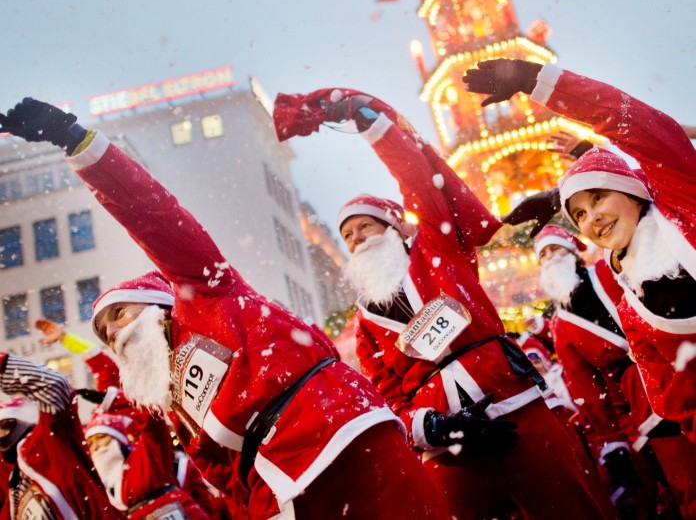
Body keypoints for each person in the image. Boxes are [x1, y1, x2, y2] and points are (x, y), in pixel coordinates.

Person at [0, 98, 449, 520]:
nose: (115, 333)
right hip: (276, 493)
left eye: (119, 314)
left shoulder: (206, 290)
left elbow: (148, 212)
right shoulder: (168, 397)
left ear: (160, 302)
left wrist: (76, 143)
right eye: (105, 332)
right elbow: (217, 471)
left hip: (346, 437)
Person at [273, 86, 617, 520]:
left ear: (397, 226)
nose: (357, 238)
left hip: (514, 403)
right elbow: (386, 395)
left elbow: (417, 179)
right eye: (348, 235)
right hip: (445, 447)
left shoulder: (439, 248)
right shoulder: (364, 325)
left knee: (573, 509)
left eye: (365, 226)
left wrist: (367, 122)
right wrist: (431, 426)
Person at [462, 58, 696, 446]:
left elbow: (637, 124)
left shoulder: (683, 201)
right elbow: (671, 395)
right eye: (579, 214)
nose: (593, 219)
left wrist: (537, 80)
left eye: (599, 198)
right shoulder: (630, 309)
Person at [35, 318, 220, 519]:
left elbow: (104, 369)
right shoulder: (98, 473)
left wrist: (66, 339)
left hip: (170, 475)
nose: (97, 446)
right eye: (92, 443)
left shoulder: (121, 416)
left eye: (102, 439)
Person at [531, 224, 653, 516]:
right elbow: (587, 389)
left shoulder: (607, 272)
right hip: (636, 404)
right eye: (543, 254)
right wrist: (613, 441)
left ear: (573, 251)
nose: (550, 257)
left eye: (556, 248)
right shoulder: (560, 329)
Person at [0, 353, 124, 519]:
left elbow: (54, 386)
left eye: (5, 424)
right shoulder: (12, 492)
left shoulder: (50, 438)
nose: (98, 446)